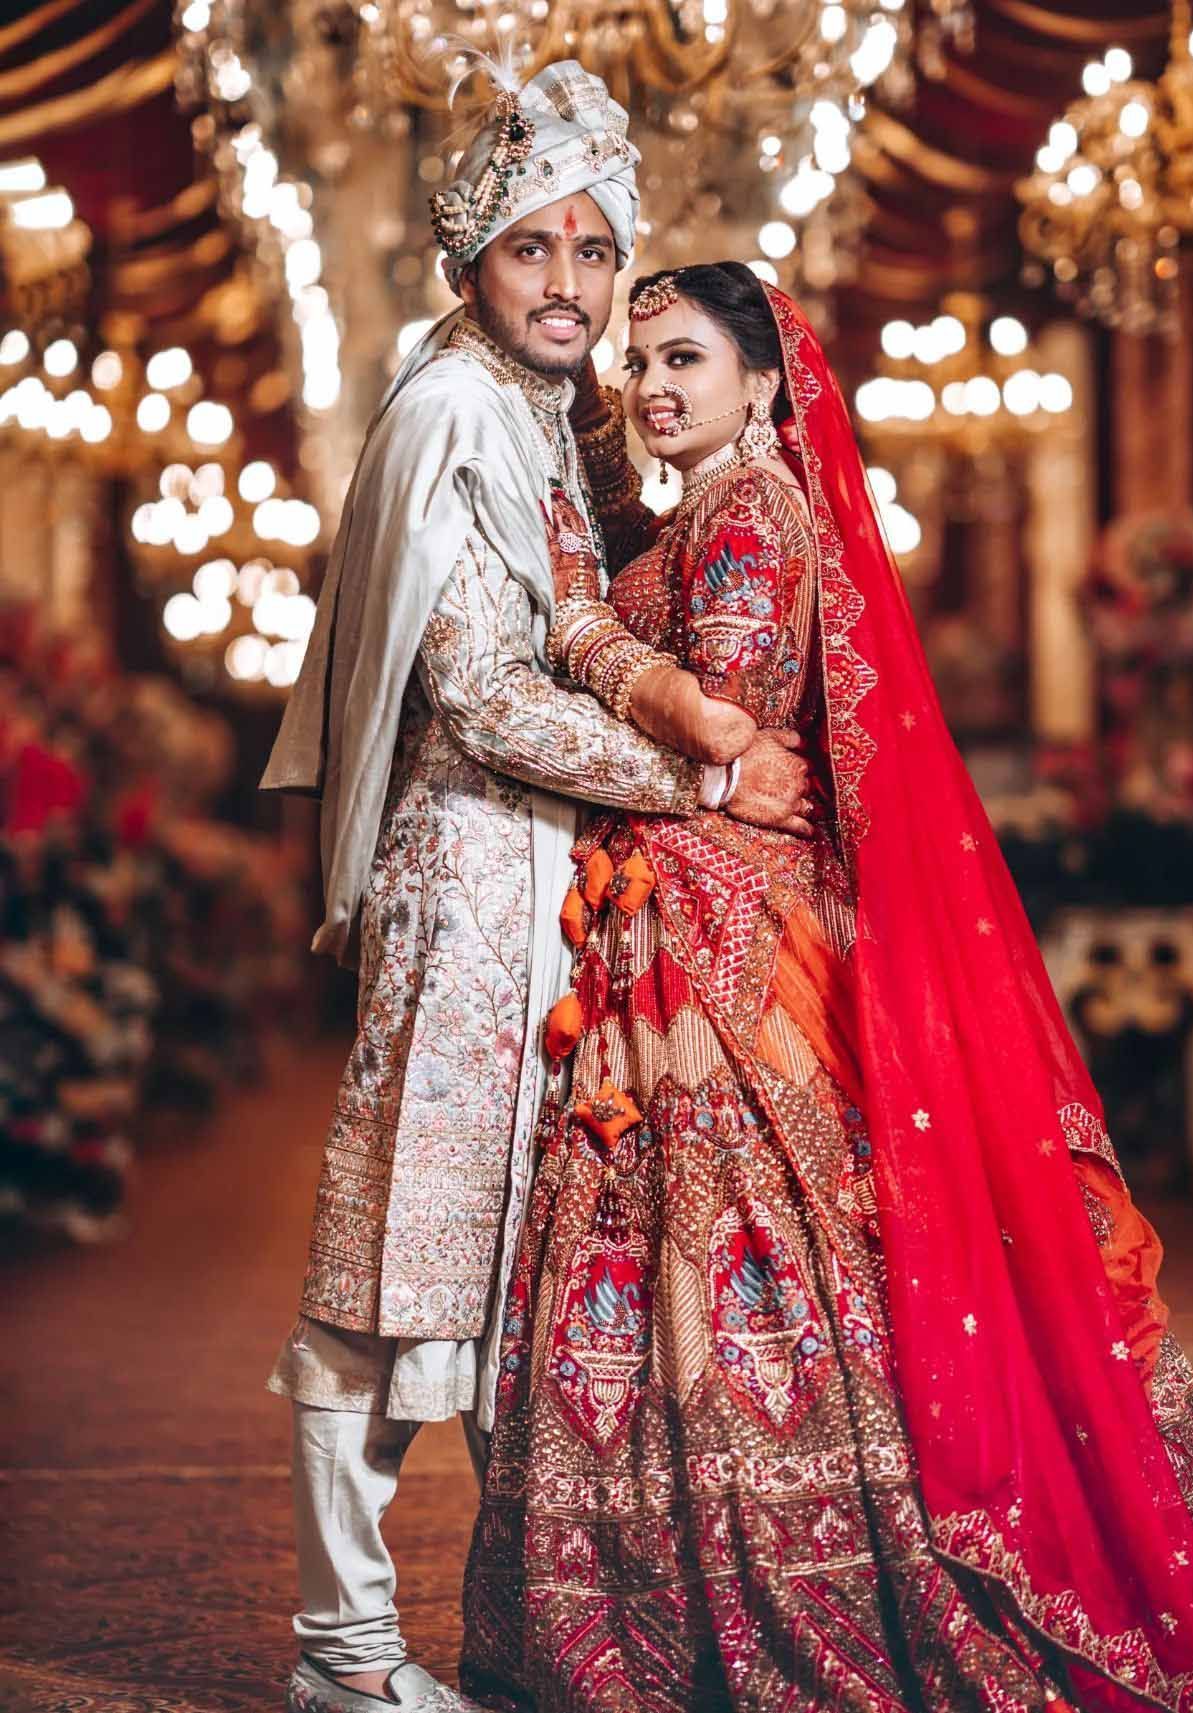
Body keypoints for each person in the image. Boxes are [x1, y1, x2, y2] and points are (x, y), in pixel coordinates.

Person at [458, 264, 1193, 1712]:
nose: (655, 386)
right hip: (678, 913)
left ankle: (793, 1585)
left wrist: (578, 635)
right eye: (641, 363)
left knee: (753, 1231)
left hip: (725, 946)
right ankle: (705, 1585)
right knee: (705, 1230)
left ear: (762, 379)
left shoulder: (749, 513)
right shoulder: (705, 512)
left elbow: (724, 716)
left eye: (685, 358)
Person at [258, 71, 812, 1713]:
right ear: (467, 264)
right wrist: (706, 772)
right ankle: (344, 1654)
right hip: (471, 883)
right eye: (531, 248)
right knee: (397, 1267)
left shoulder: (532, 410)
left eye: (595, 248)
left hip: (548, 883)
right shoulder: (450, 413)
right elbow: (483, 693)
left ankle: (556, 1628)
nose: (571, 281)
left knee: (524, 1268)